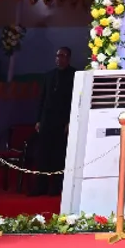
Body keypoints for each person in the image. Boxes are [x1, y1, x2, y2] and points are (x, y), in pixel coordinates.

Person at [33, 47, 76, 196]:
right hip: (47, 120)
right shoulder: (49, 75)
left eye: (63, 56)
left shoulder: (74, 75)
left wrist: (70, 121)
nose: (59, 58)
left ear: (69, 58)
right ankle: (40, 186)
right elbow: (42, 99)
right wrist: (38, 120)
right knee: (43, 154)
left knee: (59, 155)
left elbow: (74, 101)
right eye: (57, 55)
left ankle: (56, 187)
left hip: (62, 122)